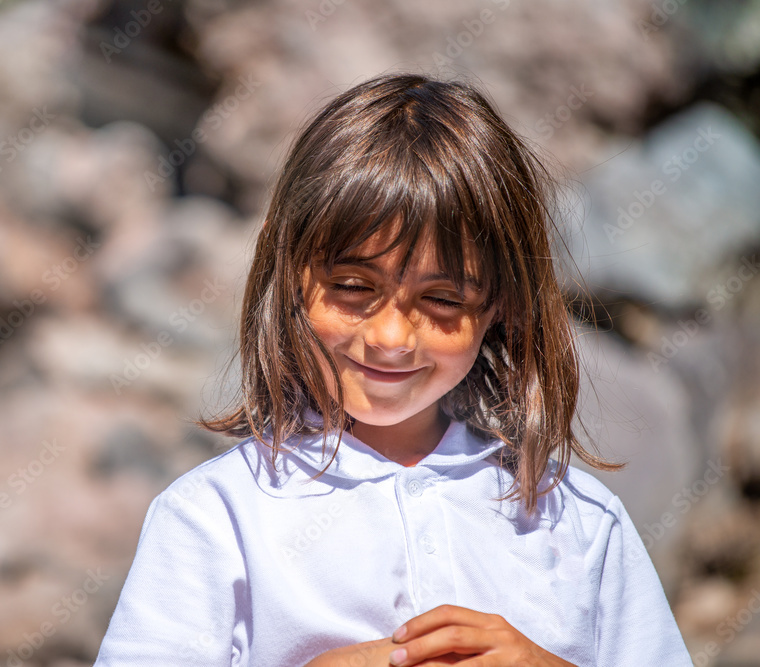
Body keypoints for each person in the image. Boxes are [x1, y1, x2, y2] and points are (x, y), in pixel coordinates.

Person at [92, 72, 695, 666]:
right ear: (292, 276)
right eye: (353, 287)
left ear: (501, 306)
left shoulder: (579, 522)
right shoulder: (217, 517)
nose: (389, 338)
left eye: (442, 301)